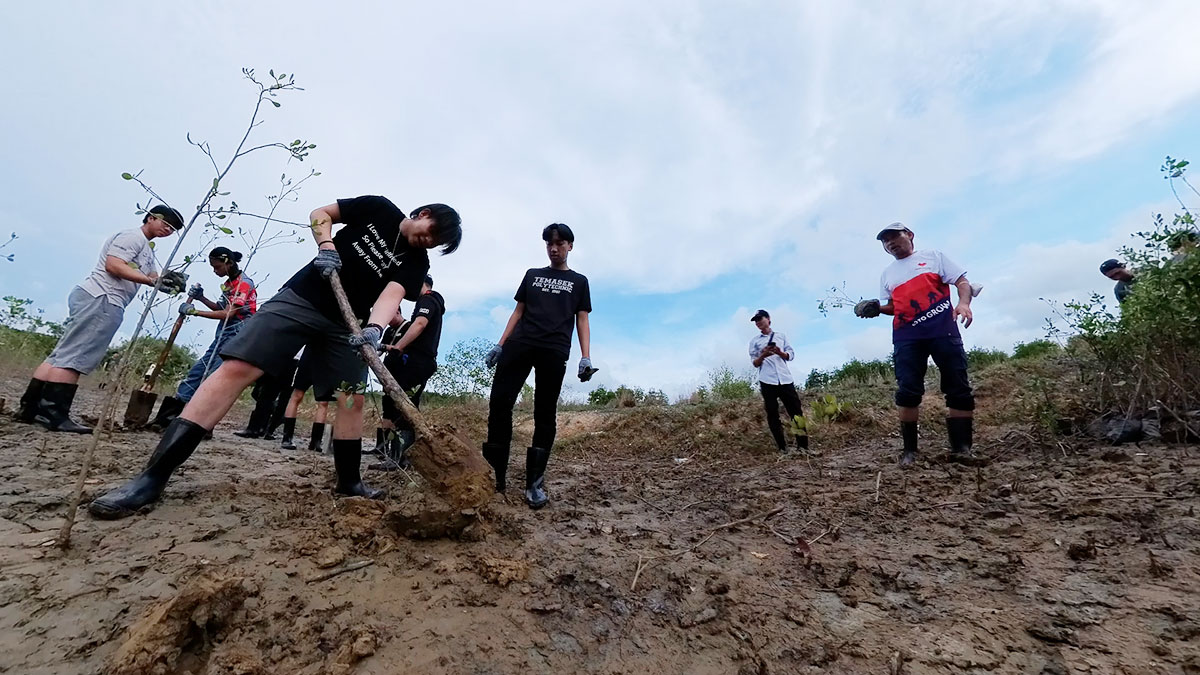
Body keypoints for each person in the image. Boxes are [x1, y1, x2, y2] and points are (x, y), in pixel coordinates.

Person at [88, 195, 462, 519]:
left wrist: (374, 330)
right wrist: (326, 245)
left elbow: (390, 297)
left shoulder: (417, 266)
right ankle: (152, 477)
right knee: (237, 367)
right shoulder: (377, 208)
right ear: (423, 211)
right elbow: (321, 212)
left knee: (351, 398)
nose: (428, 240)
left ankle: (350, 483)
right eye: (432, 229)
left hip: (346, 327)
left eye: (437, 241)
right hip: (301, 300)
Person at [18, 205, 185, 433]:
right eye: (166, 224)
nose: (168, 230)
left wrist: (168, 279)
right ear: (150, 218)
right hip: (103, 297)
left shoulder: (145, 247)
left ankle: (30, 408)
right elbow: (114, 265)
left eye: (173, 229)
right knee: (75, 356)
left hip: (98, 297)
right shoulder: (132, 237)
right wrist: (151, 282)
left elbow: (152, 275)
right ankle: (53, 414)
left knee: (60, 354)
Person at [481, 223, 595, 509]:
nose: (554, 248)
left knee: (545, 412)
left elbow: (582, 319)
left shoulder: (579, 282)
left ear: (570, 246)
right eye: (549, 243)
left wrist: (585, 356)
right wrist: (500, 343)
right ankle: (496, 476)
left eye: (560, 243)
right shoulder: (533, 276)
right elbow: (518, 312)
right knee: (500, 403)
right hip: (520, 345)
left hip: (554, 350)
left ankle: (534, 483)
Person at [854, 222, 976, 466]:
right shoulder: (887, 274)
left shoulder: (934, 257)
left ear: (909, 235)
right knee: (908, 391)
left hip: (943, 330)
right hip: (907, 336)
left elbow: (962, 282)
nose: (890, 243)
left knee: (958, 387)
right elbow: (893, 306)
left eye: (894, 237)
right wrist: (876, 308)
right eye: (885, 241)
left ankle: (962, 449)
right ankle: (910, 451)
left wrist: (964, 304)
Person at [149, 247, 257, 429]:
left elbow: (229, 313)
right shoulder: (230, 283)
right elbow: (220, 308)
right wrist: (201, 298)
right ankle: (169, 418)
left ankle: (201, 425)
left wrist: (195, 312)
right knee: (198, 372)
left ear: (227, 263)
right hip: (224, 333)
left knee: (212, 377)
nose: (215, 271)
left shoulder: (243, 284)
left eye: (217, 267)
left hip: (237, 334)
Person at [371, 274, 444, 470]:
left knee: (404, 406)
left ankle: (398, 459)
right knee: (404, 405)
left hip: (419, 361)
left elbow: (419, 324)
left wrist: (398, 347)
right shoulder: (430, 301)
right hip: (421, 362)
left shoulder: (428, 299)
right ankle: (400, 457)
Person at [748, 309, 809, 454]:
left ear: (768, 319)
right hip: (767, 380)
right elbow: (755, 363)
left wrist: (779, 352)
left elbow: (791, 355)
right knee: (772, 414)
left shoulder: (781, 336)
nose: (758, 322)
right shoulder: (754, 342)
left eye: (760, 319)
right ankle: (782, 448)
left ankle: (803, 447)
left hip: (785, 379)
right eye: (756, 320)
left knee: (796, 412)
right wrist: (764, 354)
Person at [276, 349, 333, 451]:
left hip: (327, 361)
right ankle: (287, 438)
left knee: (324, 401)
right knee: (297, 395)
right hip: (308, 358)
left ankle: (316, 442)